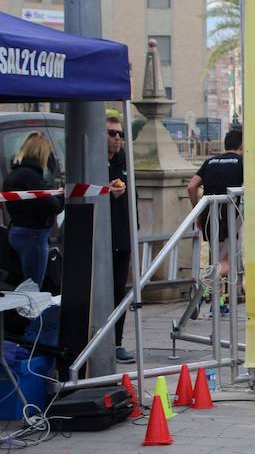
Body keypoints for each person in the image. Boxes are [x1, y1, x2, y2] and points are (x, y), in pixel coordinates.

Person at [187, 129, 243, 305]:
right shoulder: (241, 162)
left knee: (216, 258)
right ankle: (204, 284)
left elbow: (191, 187)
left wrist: (197, 211)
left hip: (209, 215)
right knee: (228, 261)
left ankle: (218, 304)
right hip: (230, 217)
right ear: (242, 145)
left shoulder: (210, 161)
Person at [3, 132, 63, 287]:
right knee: (33, 287)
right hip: (34, 235)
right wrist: (62, 195)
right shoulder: (32, 177)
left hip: (17, 231)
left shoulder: (14, 174)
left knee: (23, 284)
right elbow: (53, 206)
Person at [106, 116, 134, 364]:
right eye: (112, 133)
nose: (117, 139)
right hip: (100, 235)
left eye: (120, 134)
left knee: (118, 289)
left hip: (123, 235)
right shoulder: (94, 161)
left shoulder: (125, 161)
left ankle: (116, 342)